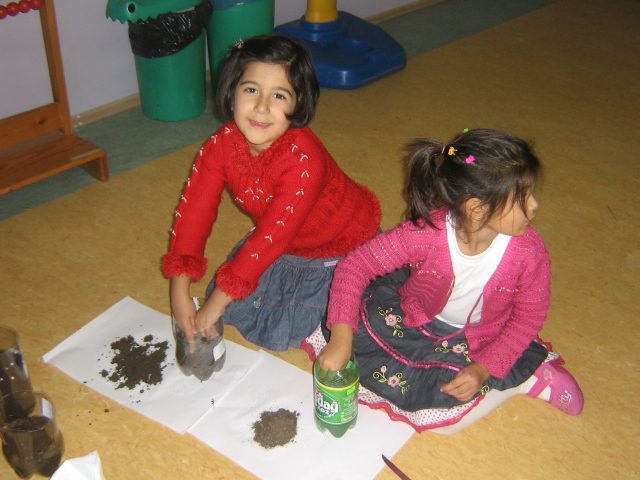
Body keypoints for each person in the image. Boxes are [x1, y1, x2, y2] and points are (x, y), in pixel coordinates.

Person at [311, 129, 583, 433]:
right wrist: (341, 340)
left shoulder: (529, 253)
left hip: (484, 334)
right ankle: (512, 379)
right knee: (347, 331)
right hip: (419, 315)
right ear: (477, 209)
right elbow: (355, 267)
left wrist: (484, 369)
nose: (534, 205)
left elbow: (527, 318)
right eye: (523, 197)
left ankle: (527, 381)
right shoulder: (424, 234)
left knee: (446, 417)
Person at [162, 34, 381, 352]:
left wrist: (216, 304)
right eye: (251, 90)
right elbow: (195, 210)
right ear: (232, 91)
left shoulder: (306, 163)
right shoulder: (220, 145)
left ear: (299, 103)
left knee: (302, 322)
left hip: (338, 243)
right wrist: (178, 291)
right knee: (238, 290)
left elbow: (270, 239)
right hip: (283, 236)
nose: (261, 108)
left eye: (279, 96)